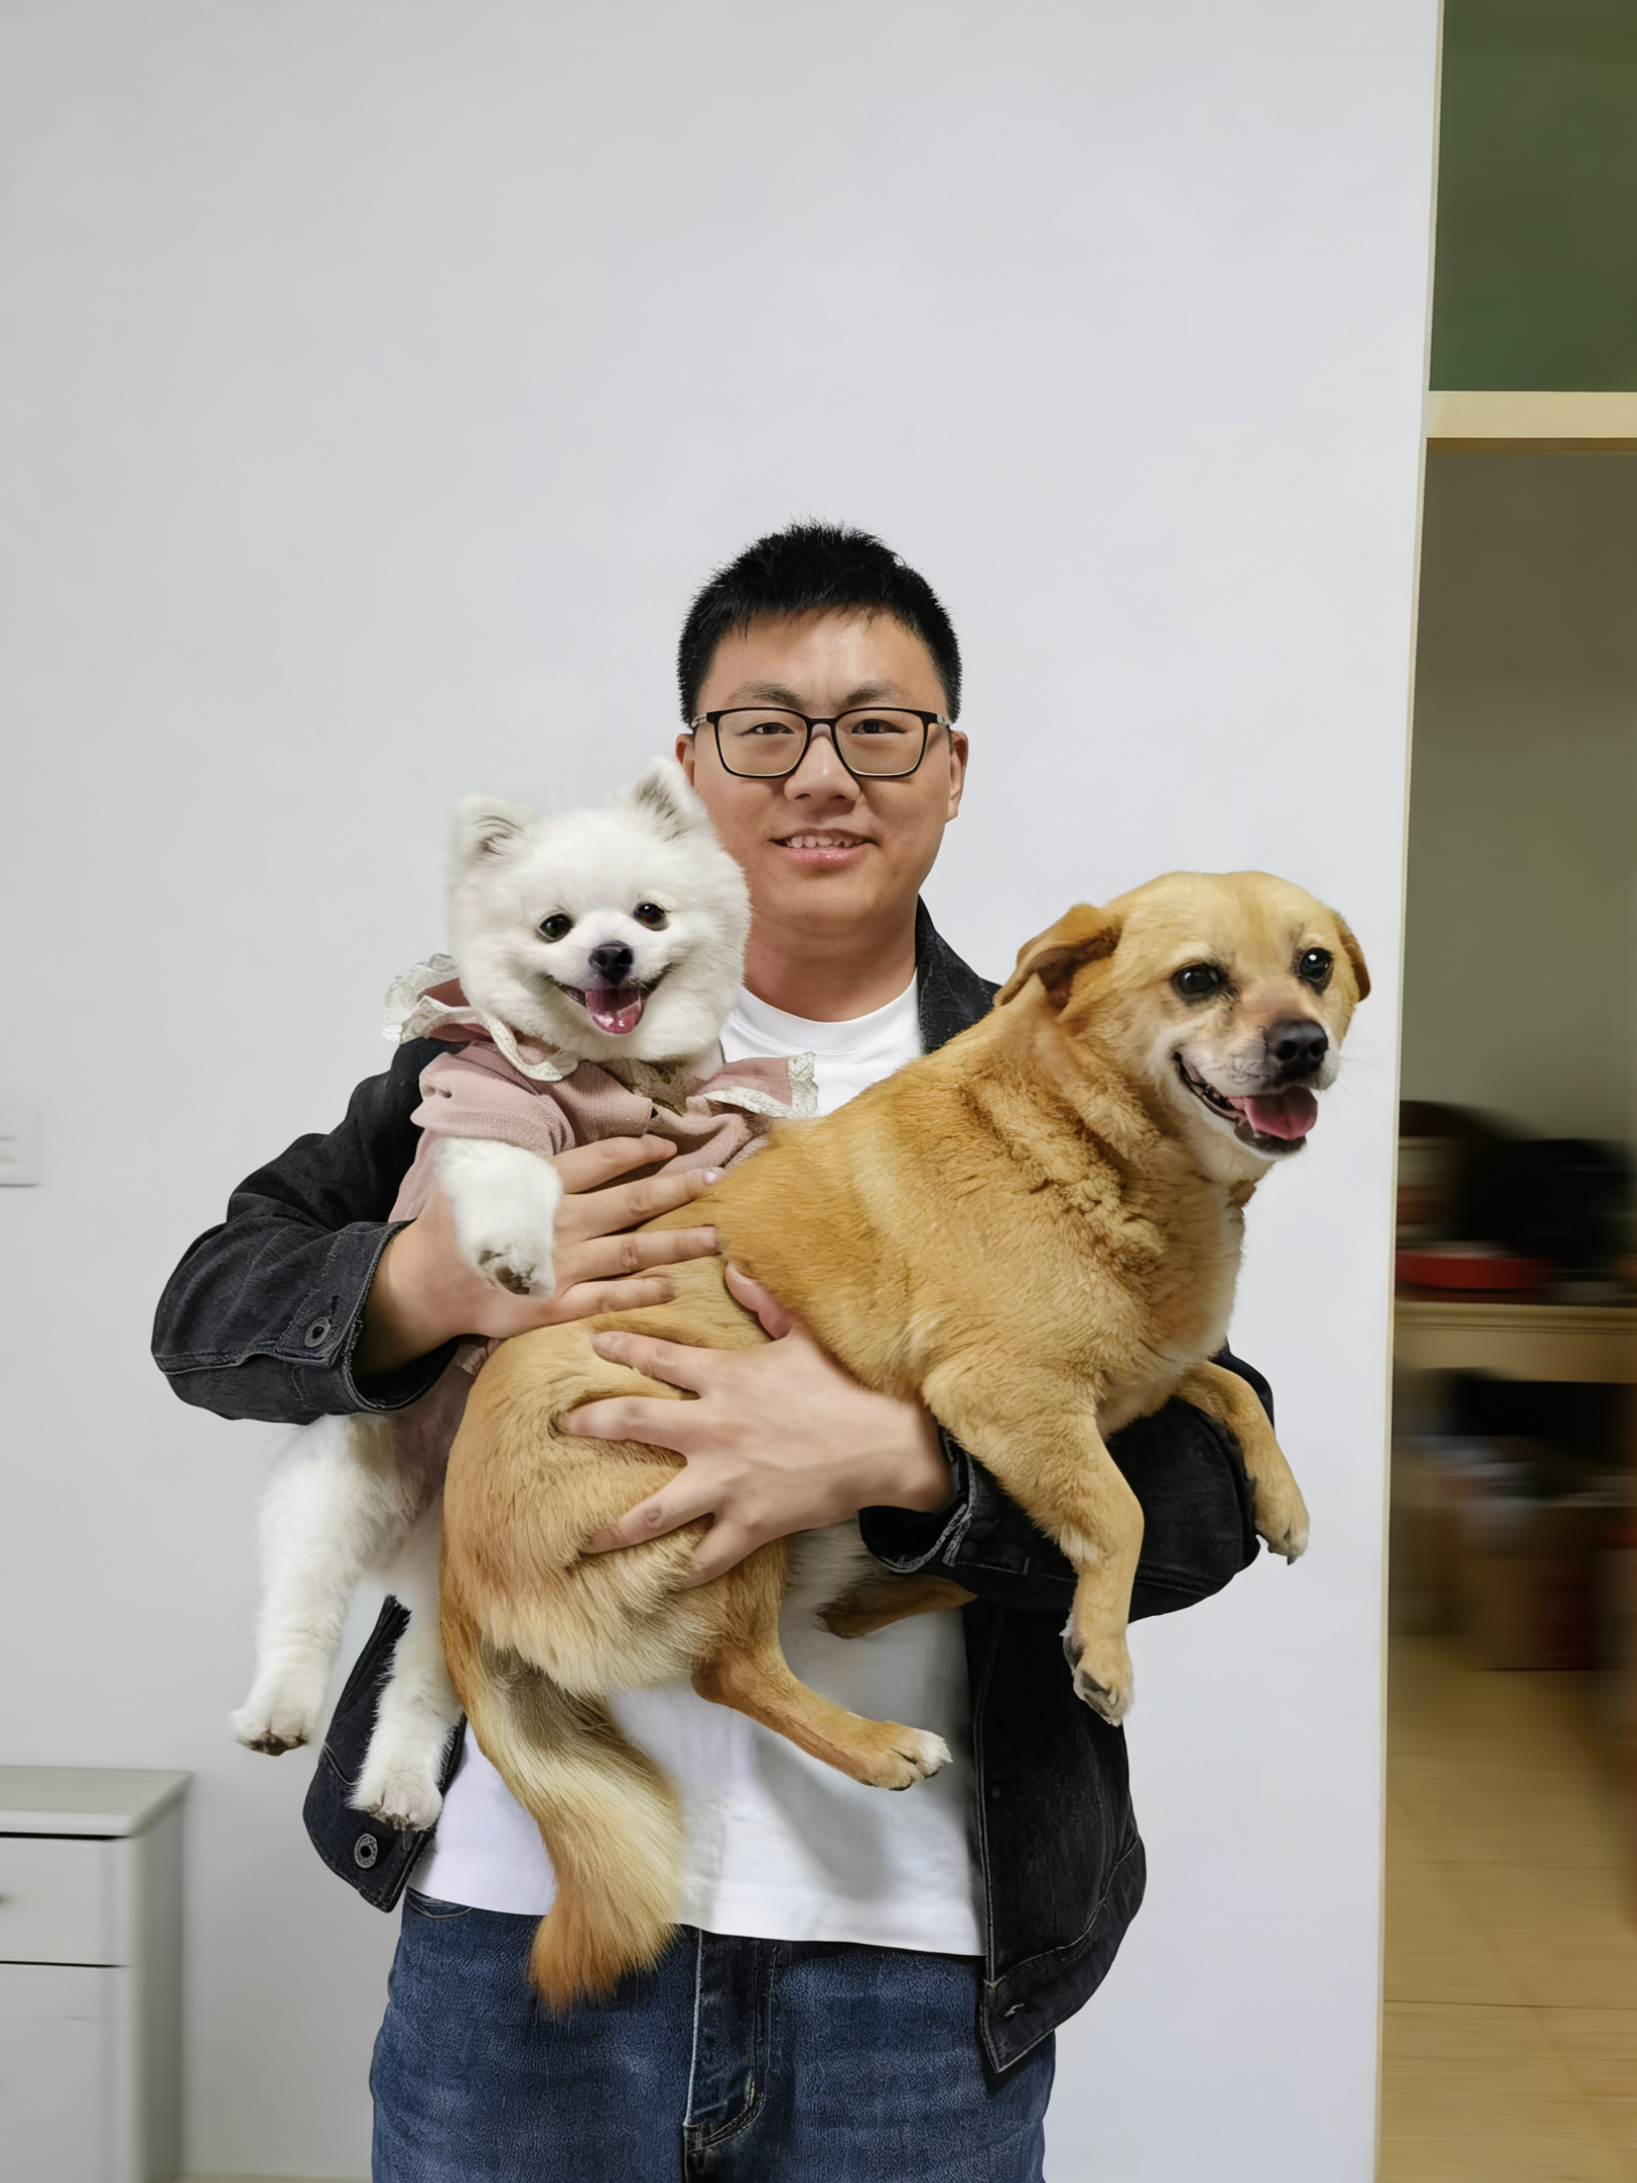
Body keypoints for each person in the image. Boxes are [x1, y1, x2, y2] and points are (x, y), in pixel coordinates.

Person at [153, 524, 1268, 2182]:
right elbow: (207, 1311)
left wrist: (907, 1465)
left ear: (952, 768)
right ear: (690, 766)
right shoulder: (511, 1048)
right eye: (765, 727)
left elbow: (1203, 1505)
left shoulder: (1080, 1059)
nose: (822, 773)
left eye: (878, 726)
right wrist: (422, 1283)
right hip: (518, 1910)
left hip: (912, 1954)